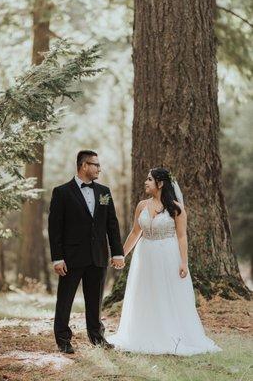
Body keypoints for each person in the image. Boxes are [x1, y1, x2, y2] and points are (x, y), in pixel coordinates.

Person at [107, 167, 222, 355]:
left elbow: (182, 236)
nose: (145, 182)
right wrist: (122, 255)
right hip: (145, 255)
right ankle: (143, 333)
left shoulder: (176, 208)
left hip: (167, 254)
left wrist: (184, 262)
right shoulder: (142, 205)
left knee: (166, 292)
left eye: (149, 179)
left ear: (160, 183)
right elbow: (136, 232)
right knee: (145, 292)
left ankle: (170, 335)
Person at [48, 150, 125, 354]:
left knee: (95, 300)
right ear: (83, 166)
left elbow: (112, 224)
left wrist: (117, 253)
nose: (99, 168)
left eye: (99, 165)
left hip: (98, 256)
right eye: (95, 165)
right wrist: (57, 258)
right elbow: (55, 229)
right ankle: (63, 340)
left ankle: (97, 337)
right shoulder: (62, 192)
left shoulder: (104, 192)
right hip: (71, 258)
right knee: (65, 300)